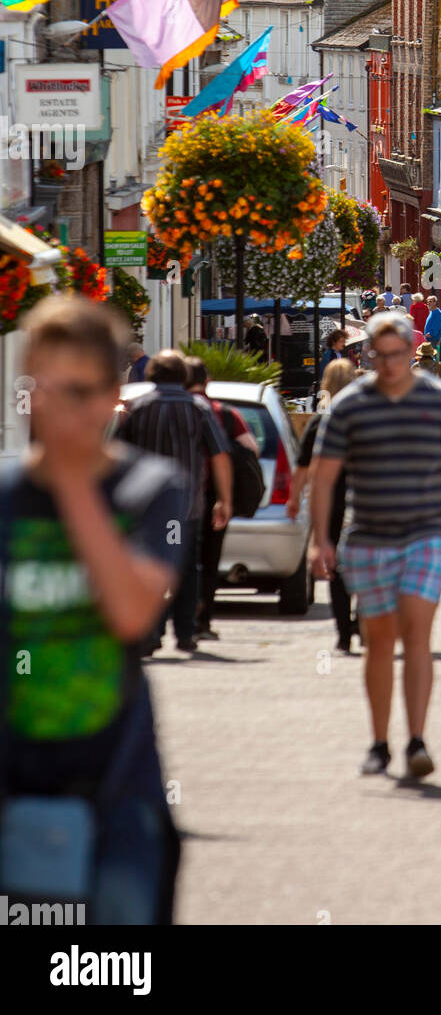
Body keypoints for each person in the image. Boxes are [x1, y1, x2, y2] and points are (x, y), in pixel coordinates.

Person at [1, 295, 190, 923]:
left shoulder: (148, 489)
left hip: (116, 784)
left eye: (77, 392)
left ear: (113, 393)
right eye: (43, 388)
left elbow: (134, 613)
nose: (55, 409)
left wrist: (73, 479)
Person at [308, 312, 441, 778]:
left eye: (397, 355)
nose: (388, 364)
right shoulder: (349, 406)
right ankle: (379, 741)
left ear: (412, 352)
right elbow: (324, 478)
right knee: (379, 641)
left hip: (425, 534)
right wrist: (319, 542)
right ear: (369, 354)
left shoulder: (440, 401)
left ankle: (417, 740)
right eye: (379, 355)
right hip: (367, 536)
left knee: (416, 634)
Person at [118, 350, 232, 653]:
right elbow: (220, 454)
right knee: (186, 568)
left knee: (148, 566)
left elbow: (117, 455)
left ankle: (151, 632)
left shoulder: (137, 408)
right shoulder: (198, 408)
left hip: (144, 507)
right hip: (188, 505)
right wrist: (224, 499)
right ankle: (185, 633)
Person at [183, 356, 258, 641]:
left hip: (175, 497)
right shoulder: (223, 413)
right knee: (209, 559)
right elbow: (249, 448)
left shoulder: (169, 409)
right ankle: (202, 620)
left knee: (179, 558)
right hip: (213, 494)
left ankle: (179, 618)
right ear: (208, 381)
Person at [289, 359, 359, 652]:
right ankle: (363, 622)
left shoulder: (320, 420)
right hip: (362, 500)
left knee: (336, 566)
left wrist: (294, 499)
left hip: (329, 501)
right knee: (366, 561)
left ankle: (344, 633)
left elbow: (303, 467)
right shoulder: (364, 417)